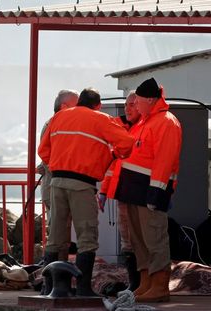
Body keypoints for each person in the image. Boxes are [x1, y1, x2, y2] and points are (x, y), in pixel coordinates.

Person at [38, 88, 135, 296]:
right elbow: (127, 144)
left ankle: (50, 288)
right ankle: (83, 289)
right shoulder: (101, 119)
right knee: (87, 236)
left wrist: (56, 164)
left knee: (55, 236)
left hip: (57, 182)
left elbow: (43, 151)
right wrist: (111, 154)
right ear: (98, 105)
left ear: (79, 101)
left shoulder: (59, 118)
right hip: (82, 184)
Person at [113, 78, 182, 302]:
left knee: (154, 238)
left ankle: (160, 286)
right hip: (133, 191)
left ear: (151, 100)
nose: (135, 106)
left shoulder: (166, 122)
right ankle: (146, 283)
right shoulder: (146, 121)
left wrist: (156, 191)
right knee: (139, 240)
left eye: (138, 102)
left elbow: (164, 160)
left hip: (149, 191)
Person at [97, 91, 141, 292]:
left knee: (142, 240)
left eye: (132, 104)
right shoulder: (120, 129)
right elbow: (111, 167)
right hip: (123, 192)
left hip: (142, 193)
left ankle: (144, 284)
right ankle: (135, 284)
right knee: (127, 241)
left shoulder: (149, 127)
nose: (127, 108)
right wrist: (104, 192)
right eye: (126, 105)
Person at [37, 89, 79, 261]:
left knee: (60, 231)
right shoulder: (54, 124)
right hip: (57, 186)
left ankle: (58, 272)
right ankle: (56, 274)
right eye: (77, 105)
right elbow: (49, 155)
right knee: (57, 232)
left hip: (58, 184)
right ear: (64, 106)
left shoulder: (56, 124)